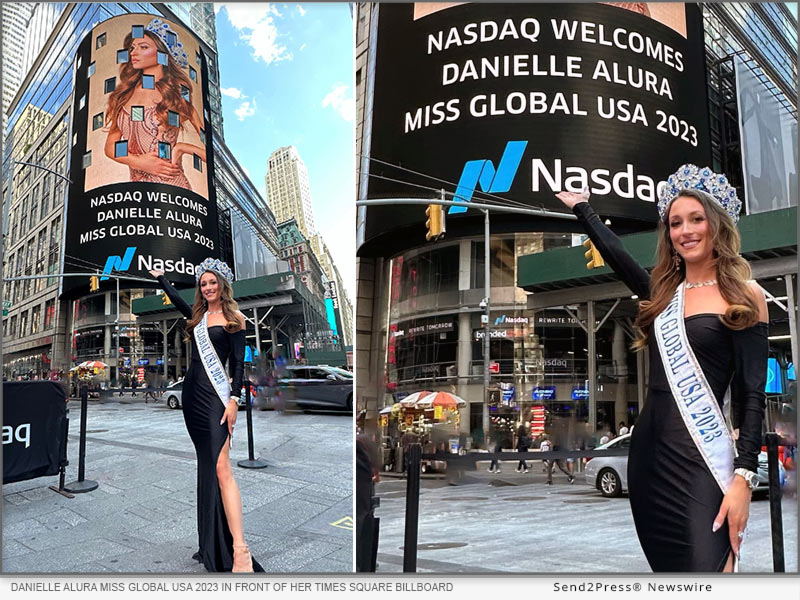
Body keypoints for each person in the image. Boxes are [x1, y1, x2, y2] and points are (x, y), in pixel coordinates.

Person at [556, 163, 768, 572]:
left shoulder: (746, 295)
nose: (685, 231)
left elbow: (752, 394)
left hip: (702, 460)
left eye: (696, 219)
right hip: (650, 459)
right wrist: (584, 209)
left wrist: (743, 478)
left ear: (716, 225)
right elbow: (618, 258)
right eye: (675, 223)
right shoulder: (663, 292)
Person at [150, 259, 262, 572]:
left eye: (212, 282)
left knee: (222, 467)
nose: (207, 287)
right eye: (203, 283)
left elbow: (239, 365)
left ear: (223, 284)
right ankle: (210, 543)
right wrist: (163, 280)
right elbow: (178, 301)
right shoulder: (198, 317)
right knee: (207, 467)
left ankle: (240, 549)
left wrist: (234, 401)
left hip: (217, 397)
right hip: (192, 395)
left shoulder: (235, 318)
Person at [104, 18, 206, 188]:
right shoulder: (124, 94)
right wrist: (137, 161)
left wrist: (181, 148)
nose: (133, 53)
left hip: (173, 189)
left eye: (143, 47)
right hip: (138, 191)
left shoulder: (175, 96)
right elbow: (110, 145)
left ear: (161, 54)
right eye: (132, 48)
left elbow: (208, 152)